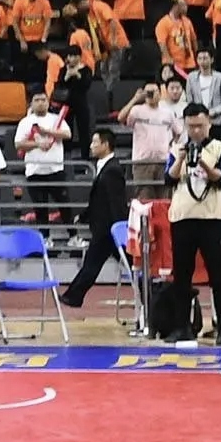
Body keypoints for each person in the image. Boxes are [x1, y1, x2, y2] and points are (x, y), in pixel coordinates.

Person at [165, 129, 221, 341]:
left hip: (212, 220)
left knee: (217, 276)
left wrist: (203, 163)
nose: (195, 130)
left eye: (199, 125)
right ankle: (182, 327)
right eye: (191, 125)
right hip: (182, 219)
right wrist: (181, 159)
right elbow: (168, 179)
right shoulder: (176, 149)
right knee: (181, 277)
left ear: (208, 123)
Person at [57, 128, 133, 318]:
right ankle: (74, 295)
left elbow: (116, 202)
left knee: (96, 263)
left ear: (106, 145)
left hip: (108, 229)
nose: (91, 146)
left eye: (95, 142)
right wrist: (84, 216)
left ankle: (73, 295)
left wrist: (119, 230)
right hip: (104, 227)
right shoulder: (105, 167)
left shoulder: (113, 170)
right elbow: (98, 200)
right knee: (122, 264)